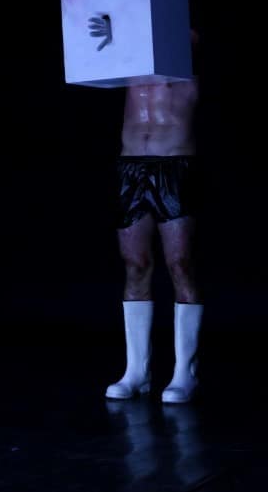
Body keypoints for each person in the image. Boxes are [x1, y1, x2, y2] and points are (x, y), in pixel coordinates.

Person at [105, 31, 203, 404]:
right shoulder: (131, 52)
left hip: (174, 163)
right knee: (135, 266)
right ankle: (137, 372)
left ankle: (185, 373)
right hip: (131, 164)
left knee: (180, 265)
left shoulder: (183, 47)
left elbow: (190, 41)